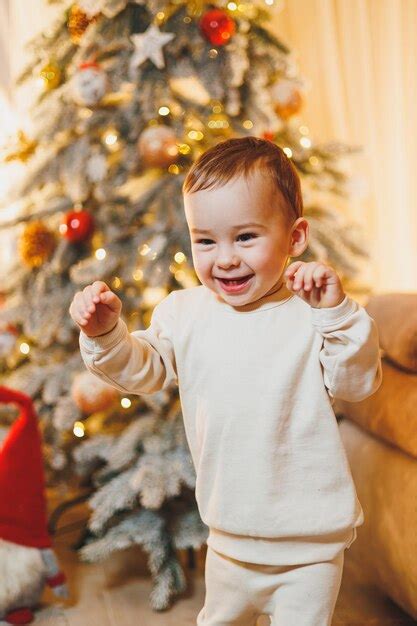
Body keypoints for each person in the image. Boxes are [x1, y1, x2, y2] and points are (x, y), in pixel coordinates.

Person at [69, 136, 382, 626]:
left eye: (246, 237)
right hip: (229, 535)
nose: (225, 258)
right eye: (206, 240)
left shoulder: (312, 313)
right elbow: (141, 371)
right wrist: (106, 332)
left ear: (295, 237)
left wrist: (338, 315)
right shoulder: (185, 313)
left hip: (310, 544)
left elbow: (357, 382)